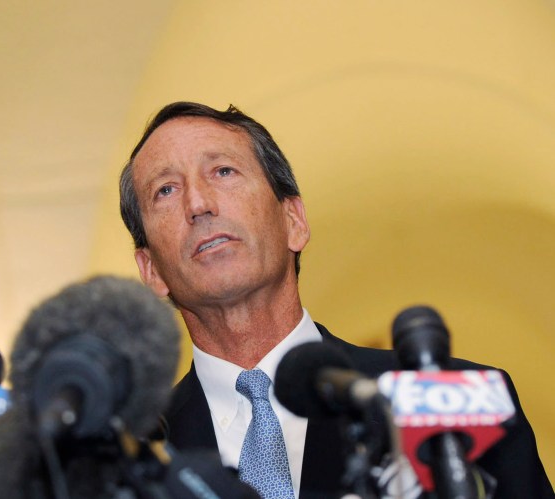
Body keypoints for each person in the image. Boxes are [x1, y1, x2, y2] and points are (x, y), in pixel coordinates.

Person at [119, 101, 552, 498]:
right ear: (151, 270)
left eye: (223, 172)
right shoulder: (126, 464)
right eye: (166, 191)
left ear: (294, 221)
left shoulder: (453, 412)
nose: (198, 203)